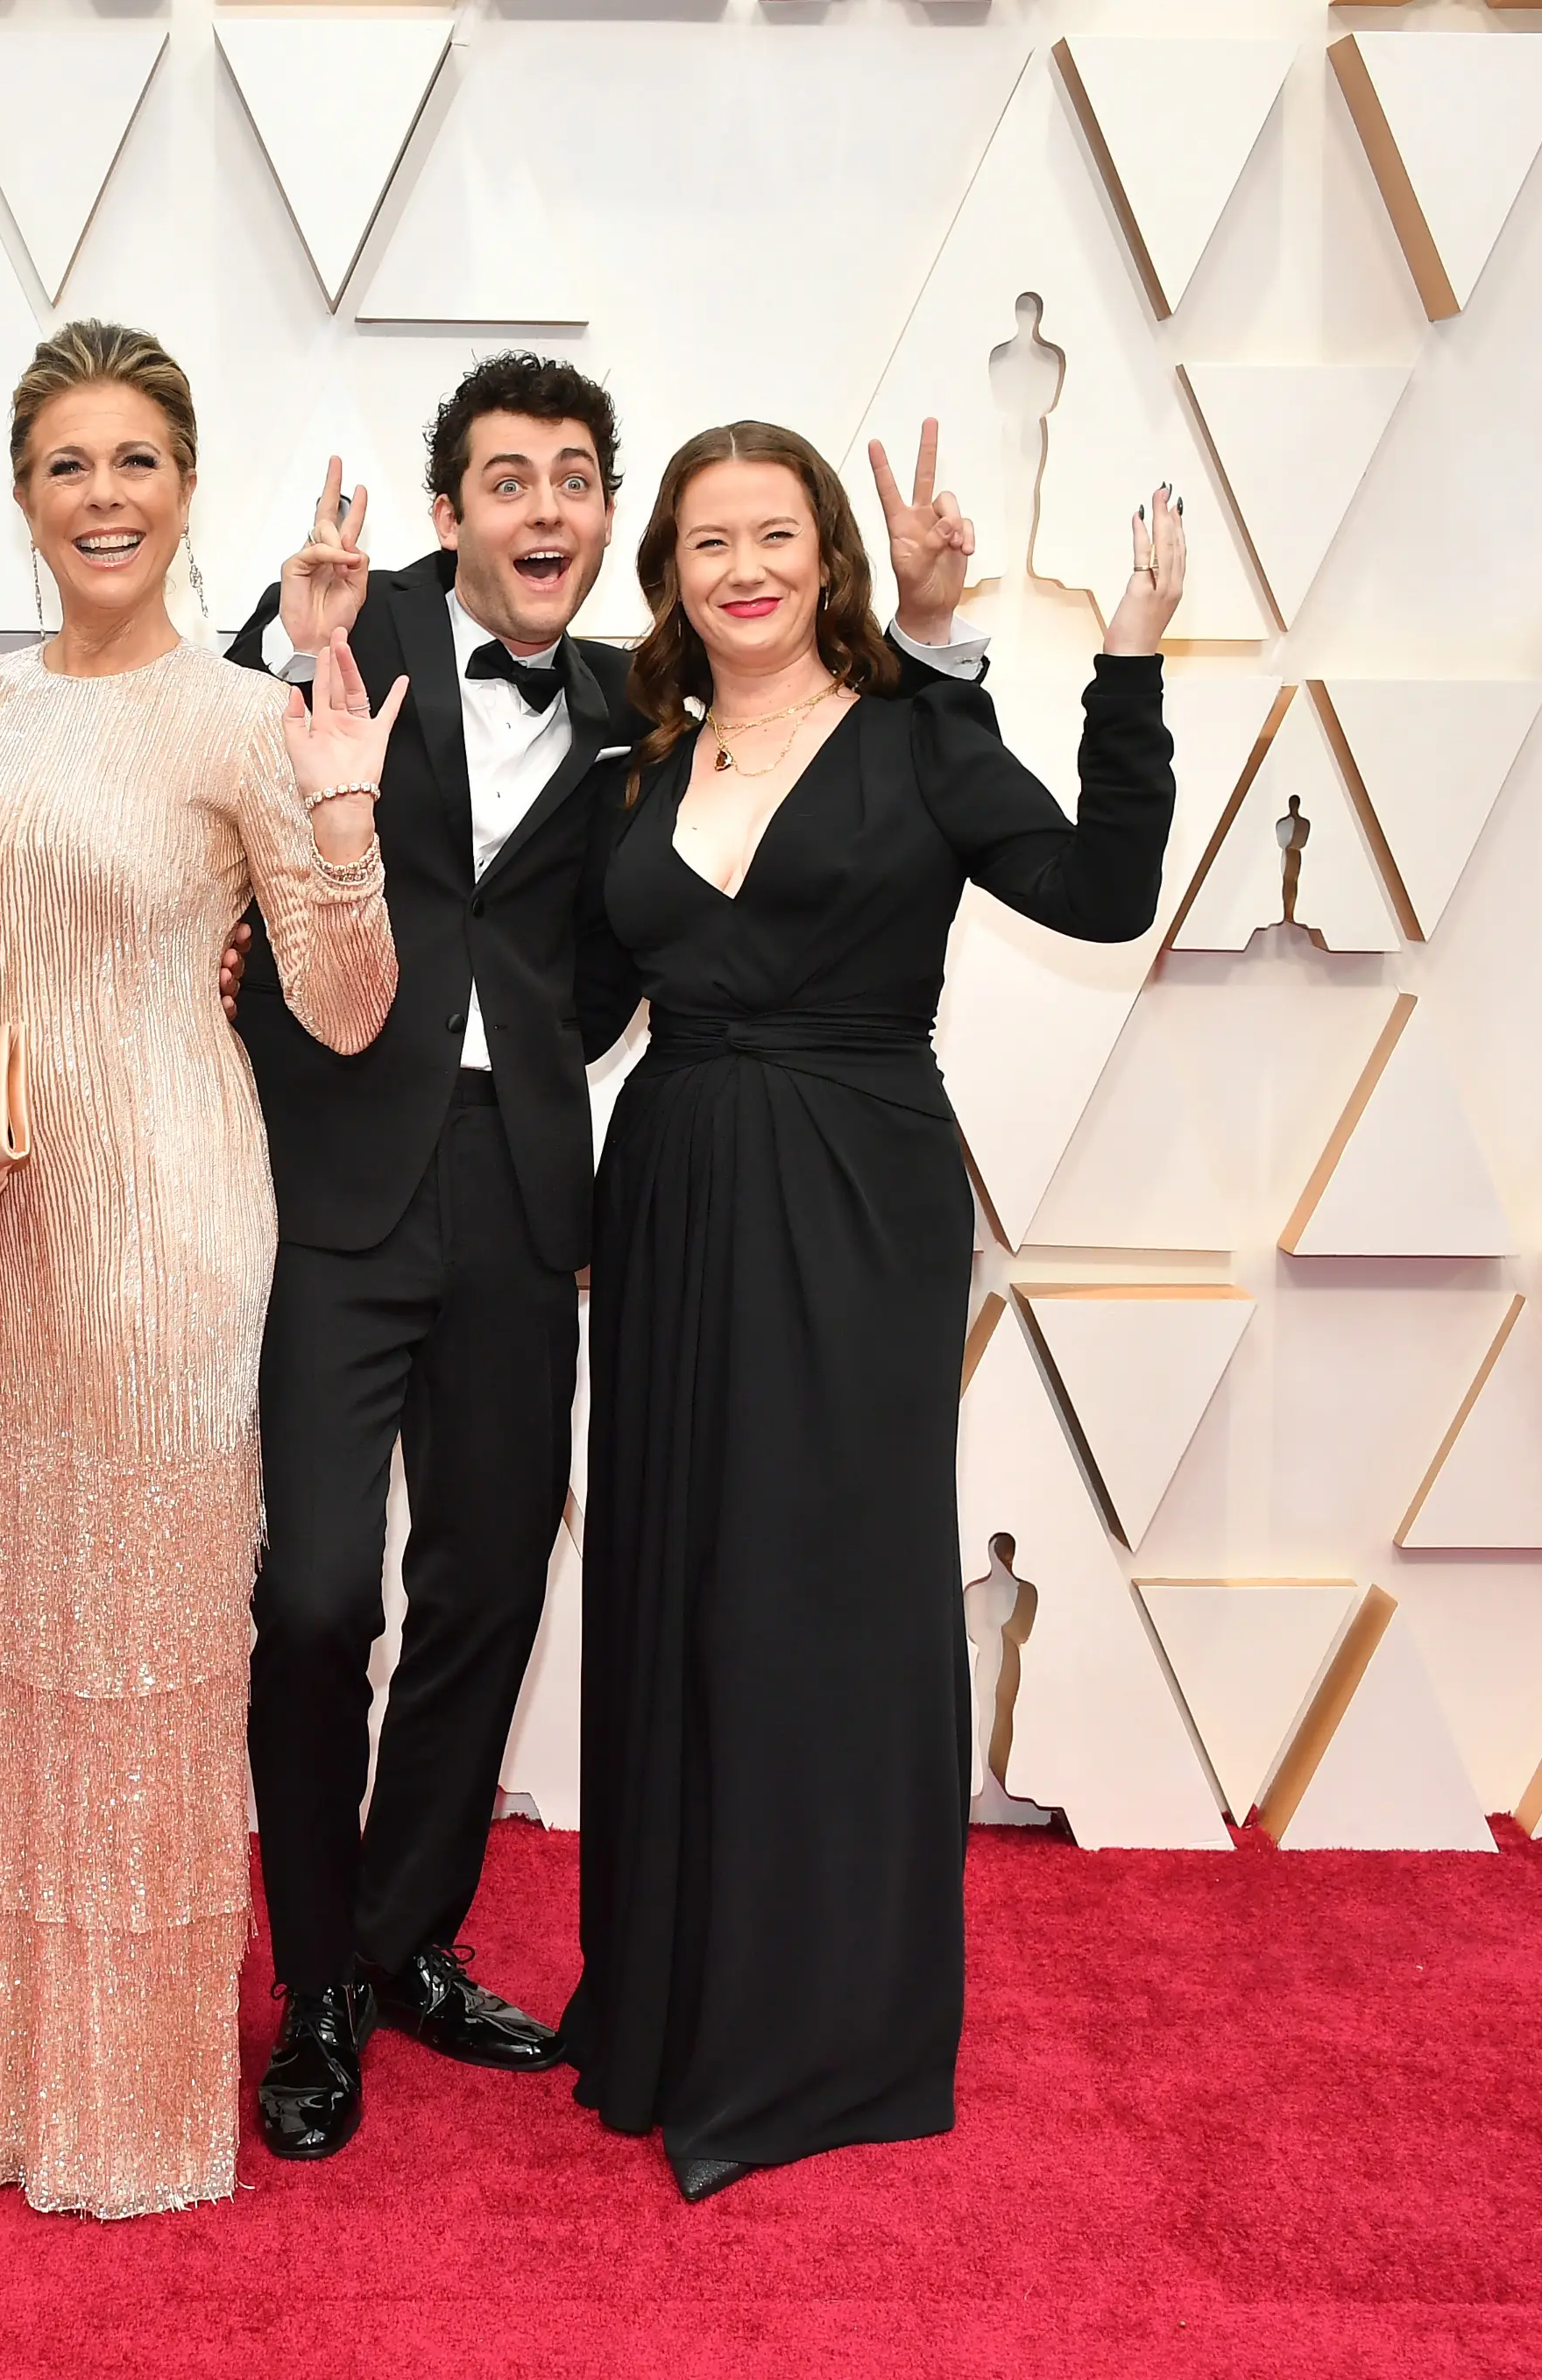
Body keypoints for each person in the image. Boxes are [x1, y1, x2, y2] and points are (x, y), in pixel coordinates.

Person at [221, 357, 988, 2161]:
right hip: (337, 1186)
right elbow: (228, 808)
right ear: (449, 510)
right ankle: (314, 1977)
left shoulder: (638, 711)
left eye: (576, 479)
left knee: (489, 1582)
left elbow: (648, 937)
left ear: (602, 516)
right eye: (508, 479)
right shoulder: (338, 631)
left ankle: (402, 1941)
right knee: (323, 1590)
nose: (546, 510)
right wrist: (275, 658)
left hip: (527, 1200)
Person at [562, 421, 1186, 2202]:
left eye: (774, 532)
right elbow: (575, 998)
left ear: (827, 554)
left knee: (819, 1588)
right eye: (705, 542)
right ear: (670, 576)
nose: (742, 565)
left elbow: (1102, 890)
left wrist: (1128, 658)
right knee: (681, 1578)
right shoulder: (641, 759)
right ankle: (677, 2003)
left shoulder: (923, 734)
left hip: (858, 1187)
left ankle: (823, 2024)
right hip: (673, 1183)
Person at [0, 321, 400, 2218]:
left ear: (188, 490)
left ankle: (146, 2101)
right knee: (7, 1658)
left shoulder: (248, 718)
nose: (105, 495)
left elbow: (340, 1011)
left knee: (159, 1654)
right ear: (24, 496)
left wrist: (341, 815)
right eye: (70, 463)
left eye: (139, 462)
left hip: (169, 1226)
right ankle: (18, 2085)